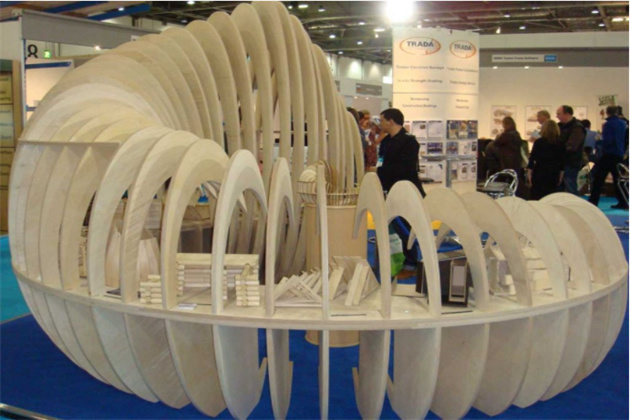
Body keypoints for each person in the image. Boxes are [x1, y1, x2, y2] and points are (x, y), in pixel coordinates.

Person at [377, 108, 425, 280]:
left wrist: (378, 172)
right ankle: (399, 261)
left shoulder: (409, 142)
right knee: (396, 230)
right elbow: (382, 162)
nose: (380, 124)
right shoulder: (386, 142)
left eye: (382, 120)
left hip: (406, 193)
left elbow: (404, 169)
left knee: (407, 230)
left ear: (391, 121)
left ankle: (411, 264)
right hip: (390, 191)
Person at [588, 105, 629, 209]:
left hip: (608, 154)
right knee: (618, 179)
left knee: (598, 179)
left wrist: (599, 141)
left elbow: (608, 140)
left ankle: (593, 201)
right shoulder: (623, 123)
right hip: (619, 154)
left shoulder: (608, 124)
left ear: (607, 112)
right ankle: (623, 201)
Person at [491, 116, 529, 198]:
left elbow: (496, 143)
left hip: (506, 161)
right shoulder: (516, 134)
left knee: (507, 178)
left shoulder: (505, 136)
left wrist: (498, 136)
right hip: (516, 161)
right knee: (516, 178)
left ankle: (508, 195)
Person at [527, 120, 565, 200]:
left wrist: (529, 173)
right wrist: (561, 175)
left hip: (540, 172)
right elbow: (562, 161)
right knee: (551, 197)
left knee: (537, 196)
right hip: (553, 172)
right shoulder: (560, 143)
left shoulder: (539, 142)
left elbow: (532, 158)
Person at [556, 105, 586, 195]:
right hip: (561, 162)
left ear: (567, 114)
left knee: (570, 186)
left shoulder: (577, 128)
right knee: (560, 187)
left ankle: (574, 203)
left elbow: (572, 147)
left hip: (571, 162)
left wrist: (557, 150)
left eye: (559, 114)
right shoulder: (560, 126)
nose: (557, 116)